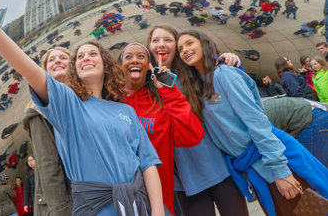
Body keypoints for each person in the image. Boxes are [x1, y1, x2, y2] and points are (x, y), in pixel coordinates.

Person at [0, 0, 163, 216]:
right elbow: (26, 66)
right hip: (97, 209)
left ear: (105, 64)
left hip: (141, 205)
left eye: (93, 53)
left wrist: (158, 212)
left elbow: (148, 164)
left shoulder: (125, 111)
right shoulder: (67, 105)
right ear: (74, 70)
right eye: (79, 56)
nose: (86, 58)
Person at [175, 30, 328, 216]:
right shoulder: (199, 87)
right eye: (180, 48)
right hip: (255, 167)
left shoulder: (224, 75)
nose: (185, 50)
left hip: (274, 159)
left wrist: (280, 170)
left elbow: (257, 122)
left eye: (190, 43)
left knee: (312, 210)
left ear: (204, 44)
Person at [147, 25, 248, 216]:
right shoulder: (146, 83)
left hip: (220, 168)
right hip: (185, 182)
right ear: (149, 47)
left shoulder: (191, 73)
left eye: (168, 40)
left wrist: (229, 61)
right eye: (155, 40)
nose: (161, 44)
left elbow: (218, 97)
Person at [119, 42, 205, 215]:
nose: (135, 60)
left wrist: (169, 91)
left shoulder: (160, 101)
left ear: (149, 66)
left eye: (141, 56)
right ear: (120, 66)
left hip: (160, 202)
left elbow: (192, 136)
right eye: (128, 56)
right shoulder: (110, 101)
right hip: (120, 200)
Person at [22, 47, 72, 216]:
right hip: (66, 202)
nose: (57, 60)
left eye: (63, 57)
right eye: (51, 60)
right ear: (44, 71)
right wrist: (62, 211)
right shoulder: (38, 110)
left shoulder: (84, 98)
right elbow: (48, 166)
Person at [261, 96, 328, 167]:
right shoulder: (257, 107)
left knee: (313, 168)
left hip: (312, 120)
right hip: (315, 114)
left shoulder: (257, 119)